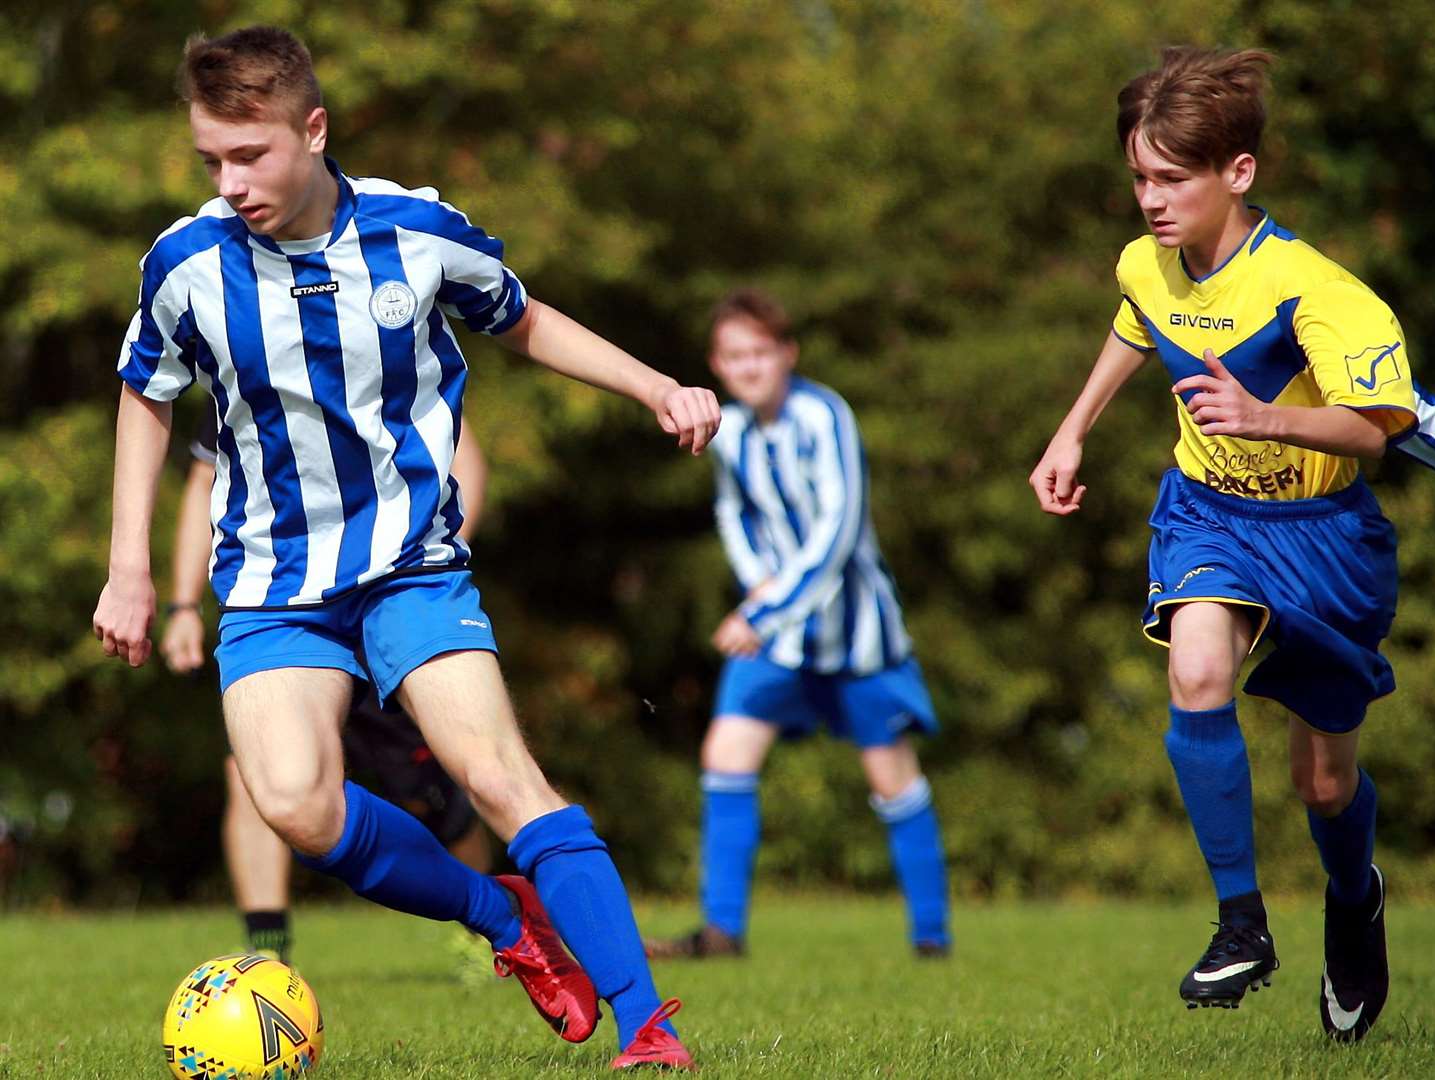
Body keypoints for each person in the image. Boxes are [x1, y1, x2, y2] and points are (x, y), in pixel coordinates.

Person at [92, 25, 720, 1069]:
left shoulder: (416, 233)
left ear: (313, 128)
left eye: (250, 154)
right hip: (272, 581)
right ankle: (504, 920)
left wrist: (655, 385)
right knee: (291, 801)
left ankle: (646, 1028)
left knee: (498, 772)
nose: (231, 180)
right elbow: (143, 398)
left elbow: (524, 321)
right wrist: (131, 569)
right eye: (212, 159)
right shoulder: (186, 262)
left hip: (411, 568)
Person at [1030, 47, 1416, 1042]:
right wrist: (1072, 428)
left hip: (1324, 540)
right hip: (1207, 513)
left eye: (1171, 179)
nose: (1150, 201)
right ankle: (1241, 923)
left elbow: (1378, 430)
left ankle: (1351, 896)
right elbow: (1135, 319)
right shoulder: (1142, 260)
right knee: (1195, 666)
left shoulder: (1312, 289)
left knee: (1322, 784)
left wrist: (1264, 417)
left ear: (1236, 173)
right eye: (1138, 178)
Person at [649, 289, 949, 960]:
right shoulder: (730, 433)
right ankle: (721, 932)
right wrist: (756, 580)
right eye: (734, 356)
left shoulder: (824, 415)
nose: (749, 367)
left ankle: (931, 939)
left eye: (760, 352)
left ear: (786, 354)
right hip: (775, 637)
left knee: (891, 778)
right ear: (716, 365)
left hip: (853, 635)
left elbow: (838, 531)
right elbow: (734, 515)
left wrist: (765, 608)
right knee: (724, 756)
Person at [160, 412, 493, 963]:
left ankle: (489, 936)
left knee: (434, 788)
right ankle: (267, 953)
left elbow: (467, 462)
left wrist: (430, 566)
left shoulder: (385, 342)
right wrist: (182, 605)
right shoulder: (232, 349)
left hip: (383, 605)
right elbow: (203, 487)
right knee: (253, 775)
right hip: (280, 612)